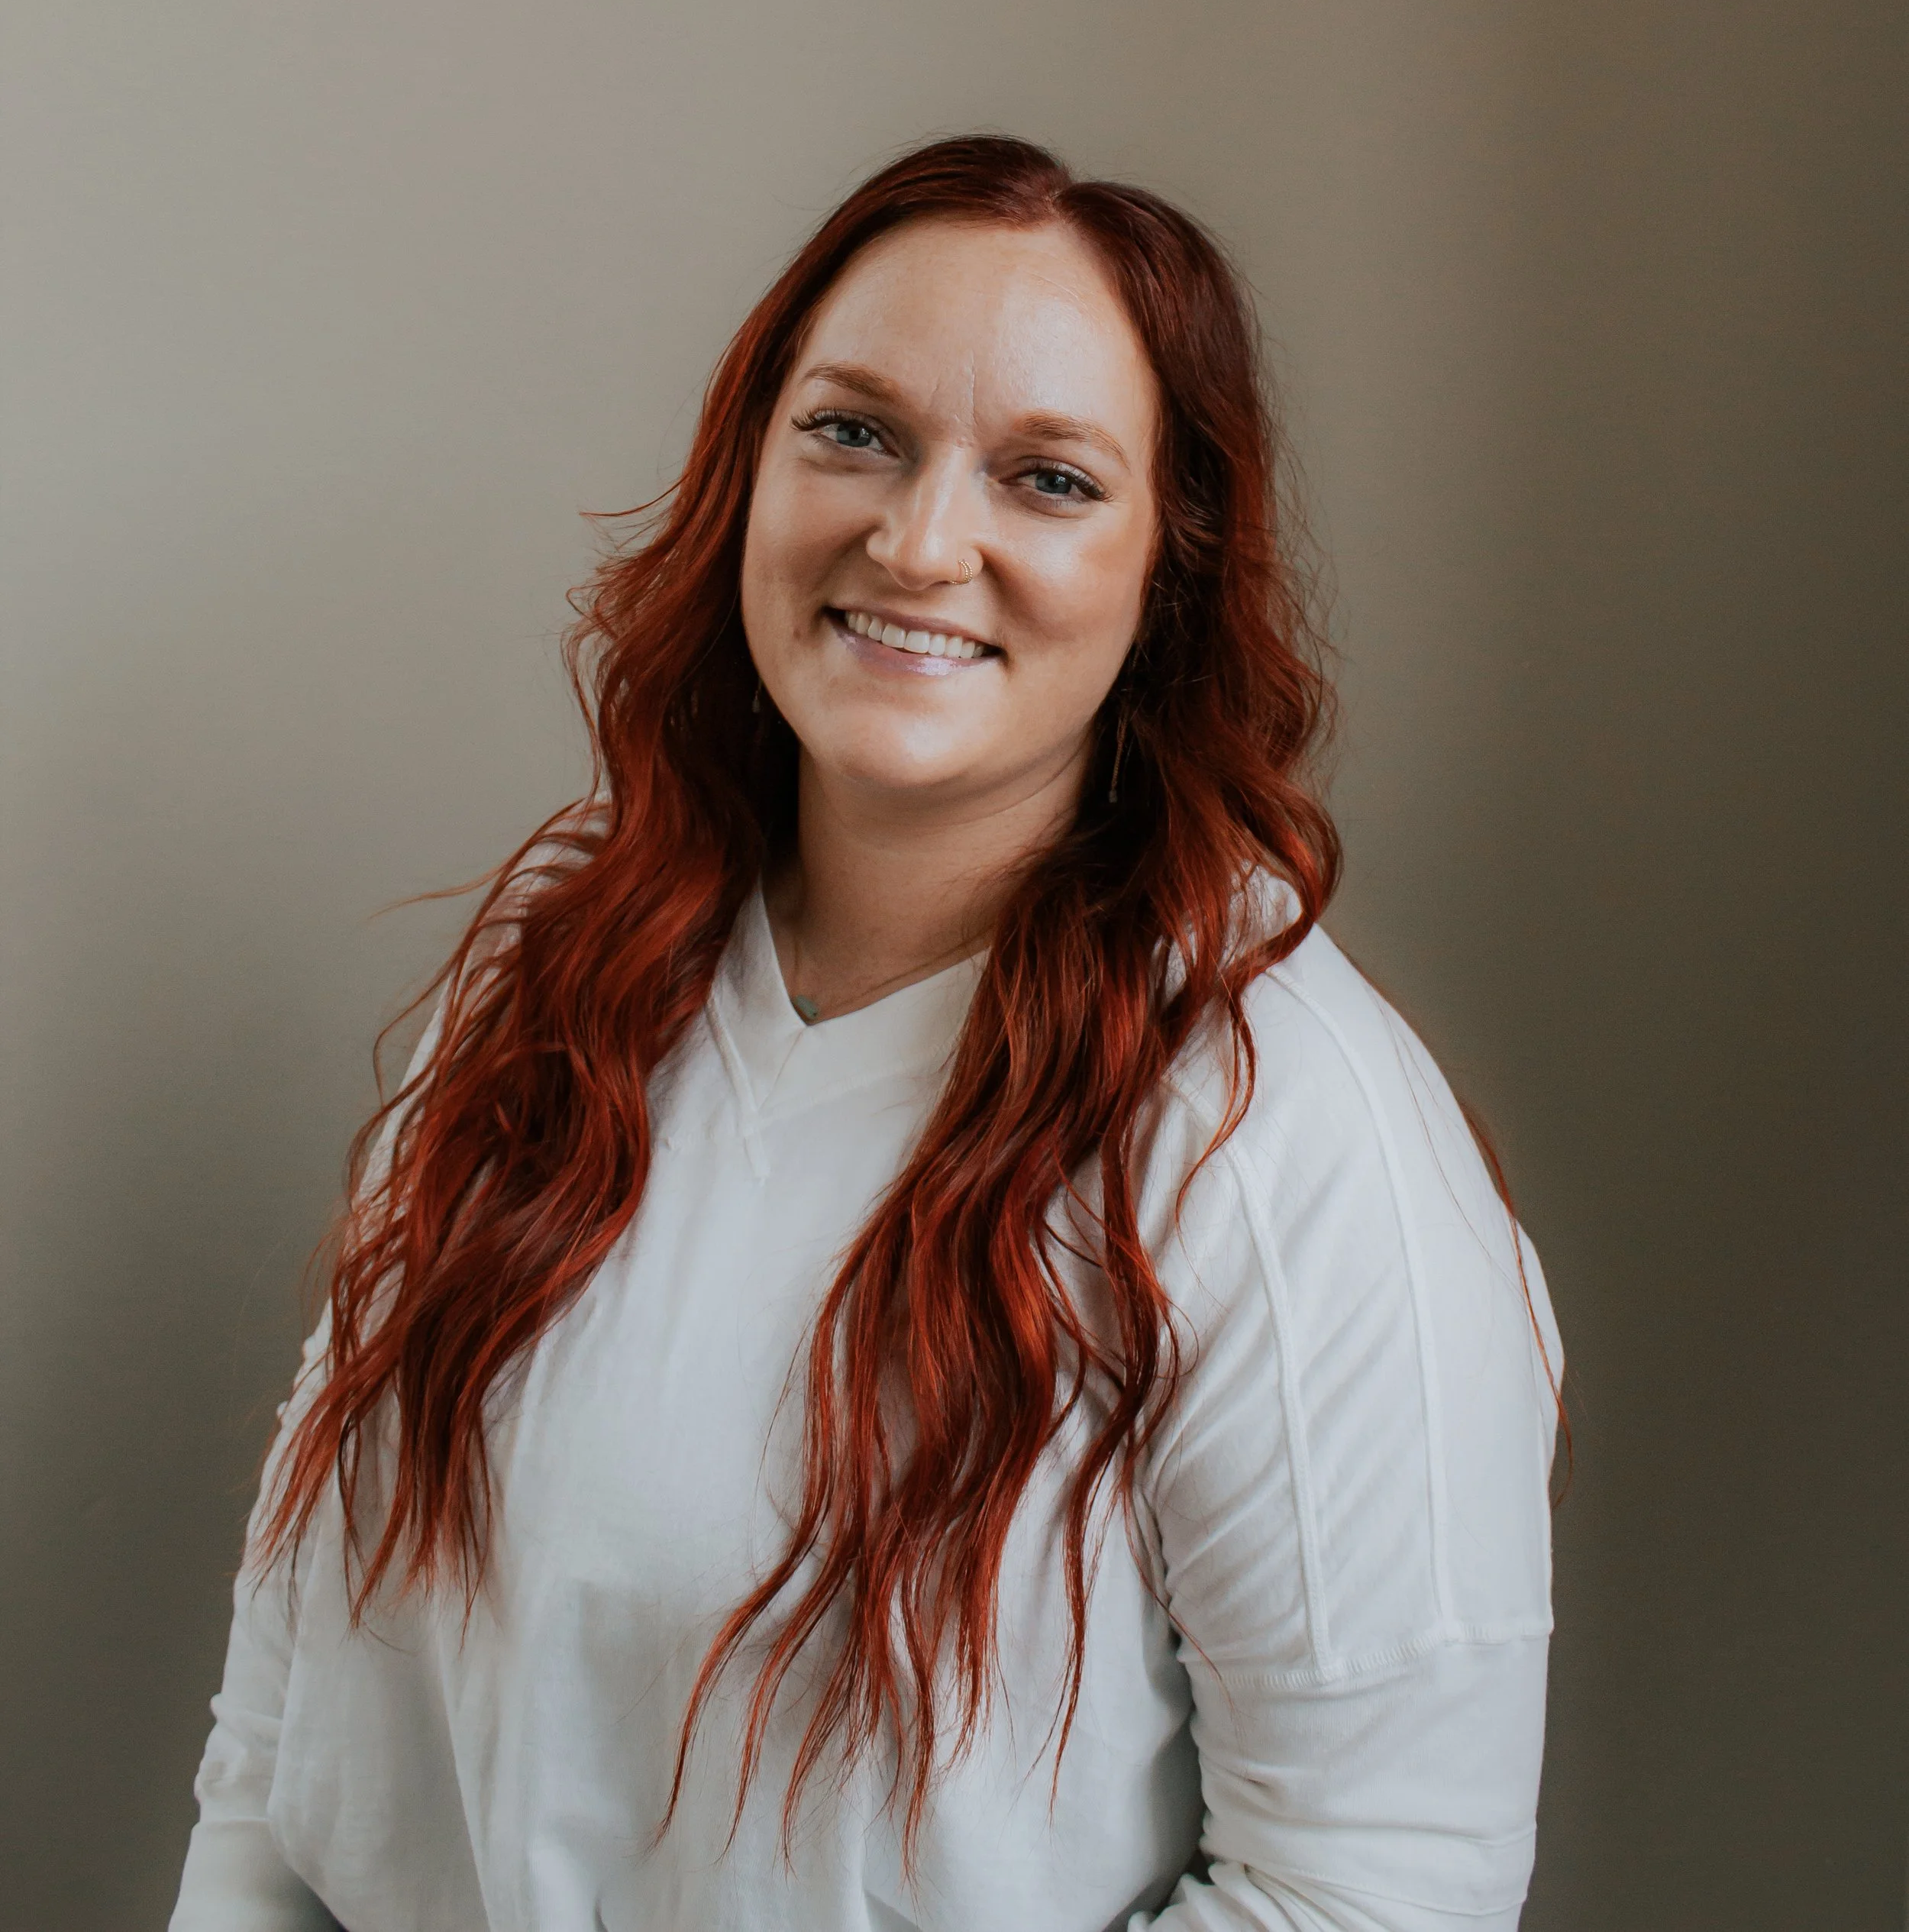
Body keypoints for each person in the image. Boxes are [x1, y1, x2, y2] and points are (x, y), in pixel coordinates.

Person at [170, 133, 1562, 1932]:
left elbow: (1377, 1895)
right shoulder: (549, 983)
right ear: (748, 469)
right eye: (853, 432)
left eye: (1046, 478)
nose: (917, 543)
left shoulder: (1286, 1136)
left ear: (1170, 570)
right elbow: (284, 1725)